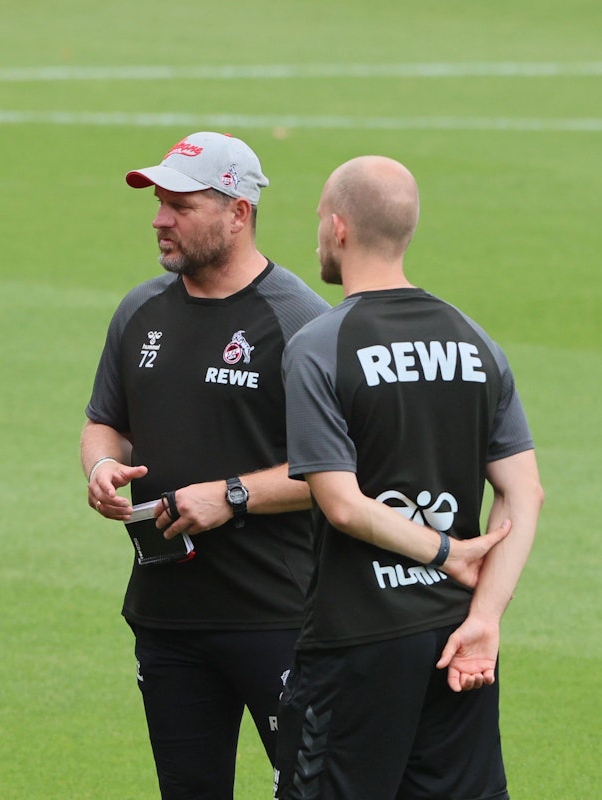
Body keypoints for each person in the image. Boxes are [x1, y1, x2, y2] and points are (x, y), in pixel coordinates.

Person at [275, 155, 544, 799]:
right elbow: (523, 491)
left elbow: (340, 503)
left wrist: (445, 551)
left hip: (357, 640)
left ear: (338, 228)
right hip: (457, 642)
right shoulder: (477, 341)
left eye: (318, 219)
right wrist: (487, 618)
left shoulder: (319, 345)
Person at [81, 131, 330, 799]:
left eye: (180, 206)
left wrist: (233, 495)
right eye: (160, 203)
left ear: (238, 212)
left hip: (277, 618)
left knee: (313, 789)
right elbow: (106, 421)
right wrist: (102, 466)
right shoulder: (141, 312)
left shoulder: (300, 323)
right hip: (166, 618)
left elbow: (339, 470)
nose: (160, 219)